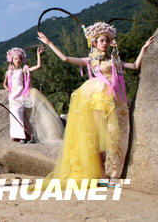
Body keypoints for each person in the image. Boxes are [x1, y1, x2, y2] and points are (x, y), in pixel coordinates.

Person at [38, 23, 154, 187]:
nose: (105, 43)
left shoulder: (114, 60)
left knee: (113, 137)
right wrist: (49, 43)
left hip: (115, 101)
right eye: (101, 40)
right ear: (94, 42)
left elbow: (134, 66)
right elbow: (65, 59)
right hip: (97, 100)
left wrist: (143, 48)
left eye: (107, 40)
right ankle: (102, 175)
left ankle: (108, 173)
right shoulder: (91, 60)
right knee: (100, 139)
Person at [3, 46, 44, 143]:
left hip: (20, 95)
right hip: (12, 96)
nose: (17, 60)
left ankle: (23, 136)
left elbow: (38, 66)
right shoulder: (8, 72)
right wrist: (8, 89)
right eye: (15, 58)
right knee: (13, 115)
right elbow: (4, 83)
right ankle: (16, 135)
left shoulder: (22, 70)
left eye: (19, 58)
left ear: (22, 60)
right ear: (12, 59)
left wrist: (38, 54)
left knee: (19, 114)